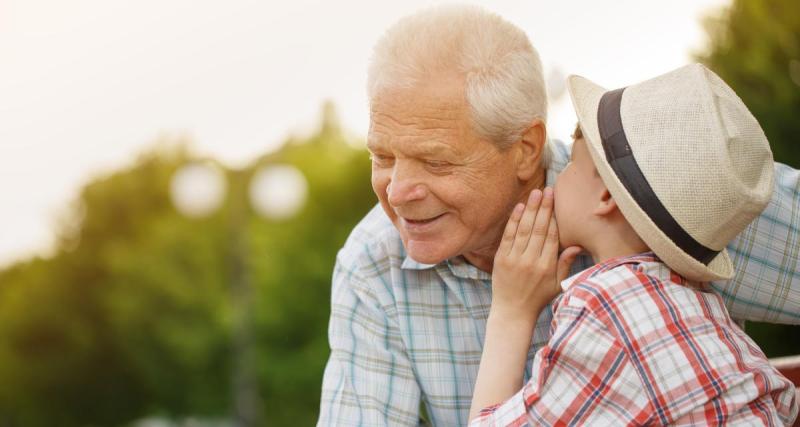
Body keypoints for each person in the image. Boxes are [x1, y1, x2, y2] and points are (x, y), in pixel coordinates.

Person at [317, 5, 800, 426]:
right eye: (381, 157)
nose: (397, 193)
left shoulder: (668, 189)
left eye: (436, 161)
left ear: (526, 149)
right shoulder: (373, 263)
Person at [468, 64, 798, 426]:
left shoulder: (601, 304)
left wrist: (511, 310)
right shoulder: (704, 304)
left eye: (571, 167)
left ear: (606, 195)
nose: (556, 179)